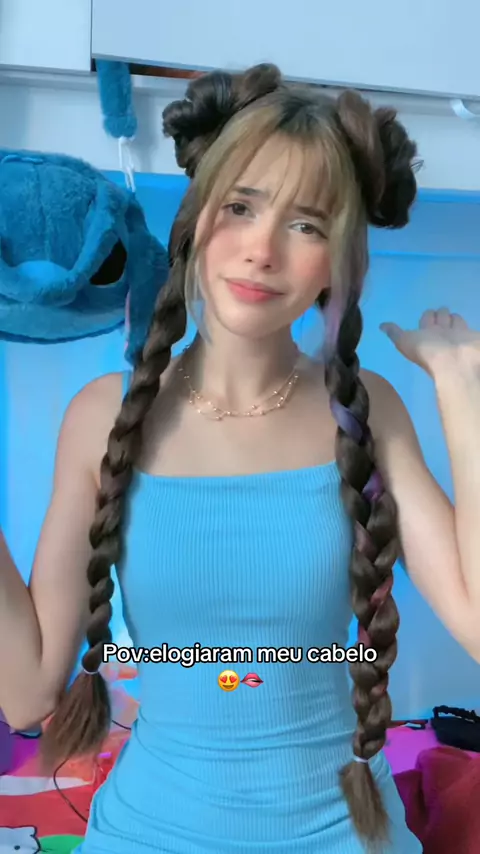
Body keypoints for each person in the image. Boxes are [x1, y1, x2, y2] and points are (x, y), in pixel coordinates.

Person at [1, 62, 480, 854]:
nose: (262, 250)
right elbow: (25, 694)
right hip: (150, 832)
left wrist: (463, 392)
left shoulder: (369, 411)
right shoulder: (100, 417)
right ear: (196, 218)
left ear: (339, 260)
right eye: (241, 207)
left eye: (308, 225)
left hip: (344, 834)